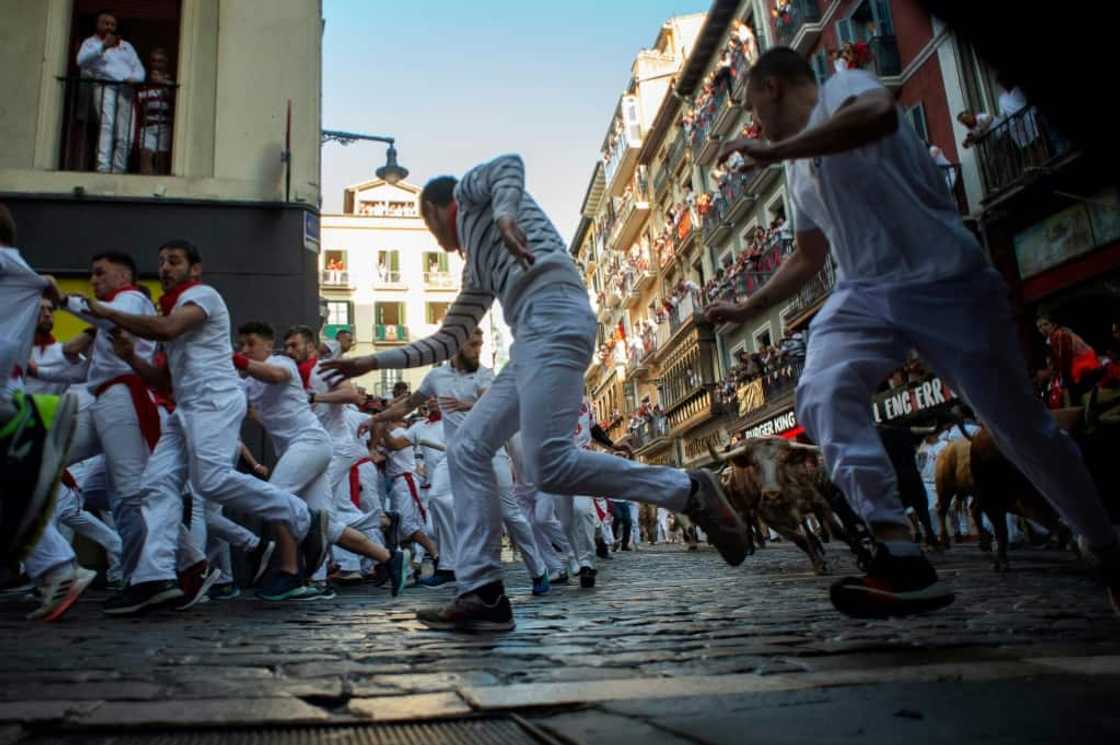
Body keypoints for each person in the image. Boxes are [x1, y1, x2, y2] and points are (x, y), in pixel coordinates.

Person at [708, 47, 1119, 618]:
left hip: (945, 278)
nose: (756, 126)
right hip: (864, 291)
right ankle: (899, 552)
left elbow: (875, 116)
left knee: (1021, 429)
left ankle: (1105, 542)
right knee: (821, 387)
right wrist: (746, 305)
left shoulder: (844, 87)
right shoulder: (796, 168)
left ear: (773, 87)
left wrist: (778, 147)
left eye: (754, 110)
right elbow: (806, 256)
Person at [324, 156, 746, 632]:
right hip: (530, 342)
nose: (437, 239)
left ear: (441, 209)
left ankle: (687, 490)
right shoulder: (477, 269)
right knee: (467, 447)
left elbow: (510, 165)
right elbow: (447, 339)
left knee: (551, 464)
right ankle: (482, 592)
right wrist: (371, 362)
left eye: (429, 224)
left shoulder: (475, 193)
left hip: (557, 319)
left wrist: (504, 215)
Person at [79, 239, 330, 614]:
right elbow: (162, 383)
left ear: (195, 268)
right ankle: (155, 578)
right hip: (186, 408)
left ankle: (299, 516)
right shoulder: (170, 313)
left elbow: (165, 329)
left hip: (214, 402)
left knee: (209, 481)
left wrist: (103, 311)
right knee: (155, 484)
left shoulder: (203, 295)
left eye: (174, 261)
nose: (165, 267)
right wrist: (132, 357)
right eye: (161, 261)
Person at [237, 321, 406, 598]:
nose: (290, 350)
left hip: (324, 445)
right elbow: (255, 404)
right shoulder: (253, 382)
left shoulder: (295, 365)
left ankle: (293, 574)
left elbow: (351, 394)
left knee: (278, 499)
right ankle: (388, 557)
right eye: (288, 345)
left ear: (311, 346)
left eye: (295, 345)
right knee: (325, 521)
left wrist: (314, 396)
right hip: (306, 450)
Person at [55, 252, 159, 589]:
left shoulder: (131, 299)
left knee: (129, 491)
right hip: (105, 399)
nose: (94, 280)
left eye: (101, 273)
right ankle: (160, 569)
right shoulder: (110, 315)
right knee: (124, 492)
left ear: (124, 274)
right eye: (92, 274)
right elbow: (82, 366)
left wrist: (64, 300)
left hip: (120, 396)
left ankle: (152, 574)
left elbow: (113, 321)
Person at [0, 204, 85, 615]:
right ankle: (55, 566)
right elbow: (46, 282)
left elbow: (47, 282)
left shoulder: (5, 262)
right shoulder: (15, 267)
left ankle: (55, 566)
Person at [76, 10, 145, 173]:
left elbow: (139, 69)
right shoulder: (91, 43)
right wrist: (103, 46)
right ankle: (103, 168)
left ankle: (118, 171)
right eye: (105, 23)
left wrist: (135, 78)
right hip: (105, 87)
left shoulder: (126, 46)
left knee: (126, 135)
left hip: (126, 90)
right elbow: (81, 61)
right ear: (97, 24)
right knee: (108, 126)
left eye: (112, 24)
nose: (109, 27)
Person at [137, 47, 174, 175]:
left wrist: (162, 82)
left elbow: (172, 97)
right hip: (147, 126)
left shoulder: (171, 81)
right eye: (154, 61)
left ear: (166, 63)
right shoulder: (143, 80)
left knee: (161, 161)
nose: (157, 64)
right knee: (145, 158)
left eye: (160, 61)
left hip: (164, 126)